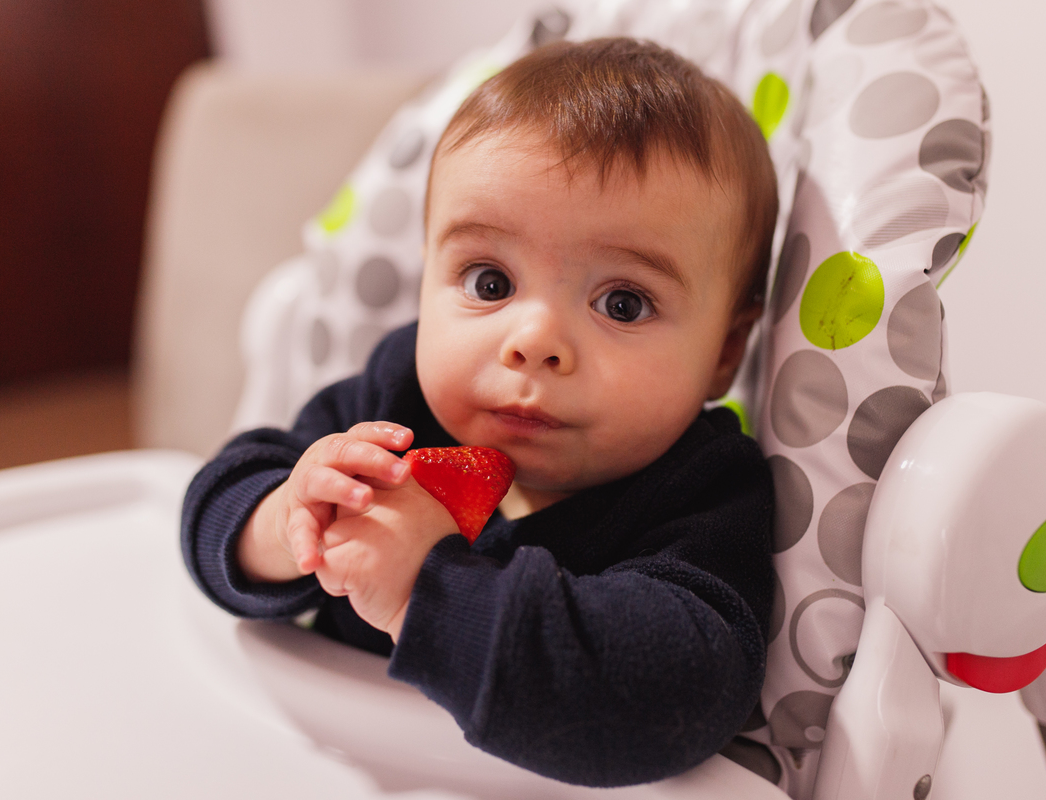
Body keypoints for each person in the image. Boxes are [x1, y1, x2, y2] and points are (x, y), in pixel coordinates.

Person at [182, 37, 778, 787]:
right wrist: (283, 521)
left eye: (622, 303)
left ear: (724, 352)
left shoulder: (702, 488)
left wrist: (427, 591)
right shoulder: (394, 401)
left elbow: (676, 695)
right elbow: (219, 495)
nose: (533, 342)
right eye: (490, 282)